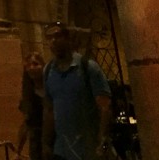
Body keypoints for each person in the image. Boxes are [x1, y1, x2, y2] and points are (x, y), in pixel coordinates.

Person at [42, 22, 112, 160]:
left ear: (68, 38)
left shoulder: (87, 67)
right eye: (49, 38)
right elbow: (49, 110)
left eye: (57, 36)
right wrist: (46, 143)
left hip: (88, 149)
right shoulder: (48, 71)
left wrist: (103, 141)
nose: (53, 41)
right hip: (61, 150)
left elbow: (105, 106)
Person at [16, 52, 45, 160]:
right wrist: (18, 151)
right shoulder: (28, 97)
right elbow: (25, 124)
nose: (31, 68)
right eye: (28, 66)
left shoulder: (53, 89)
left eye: (35, 64)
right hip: (37, 144)